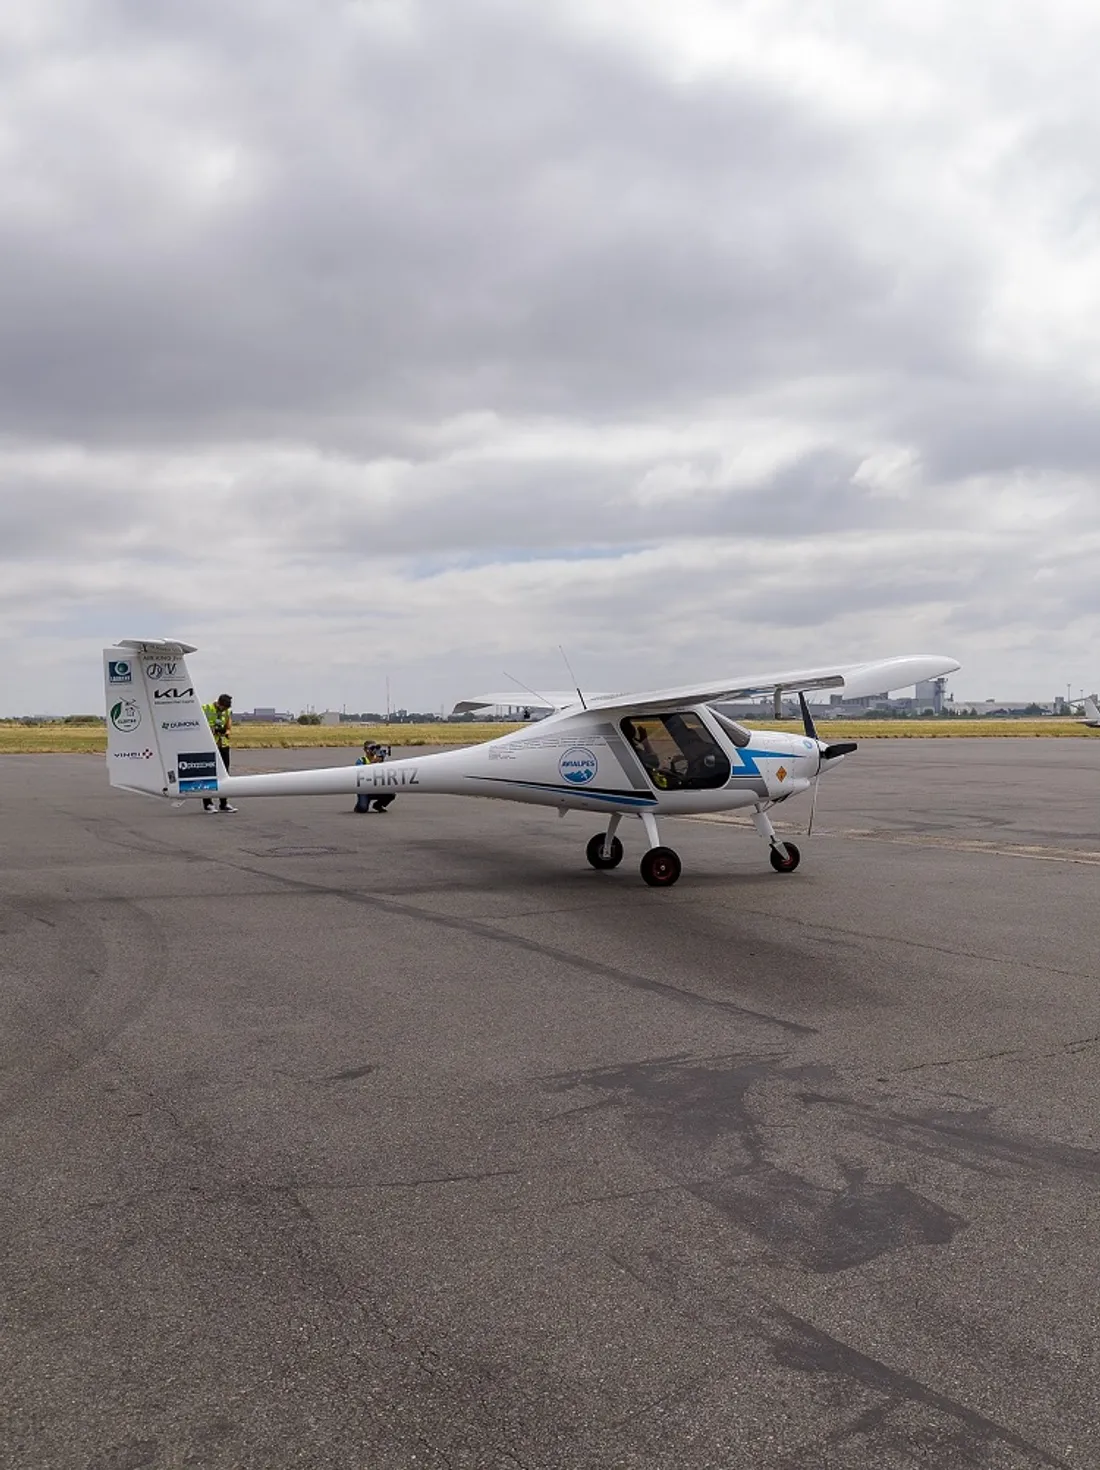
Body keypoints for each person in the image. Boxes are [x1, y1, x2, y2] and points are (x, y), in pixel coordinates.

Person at [202, 692, 238, 813]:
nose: (225, 710)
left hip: (223, 745)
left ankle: (224, 803)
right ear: (219, 703)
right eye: (224, 707)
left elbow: (228, 725)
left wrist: (227, 731)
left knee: (224, 773)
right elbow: (201, 725)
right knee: (208, 773)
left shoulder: (227, 712)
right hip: (208, 745)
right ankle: (208, 804)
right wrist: (214, 730)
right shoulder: (206, 709)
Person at [353, 741, 395, 813]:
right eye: (372, 748)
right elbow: (360, 773)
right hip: (364, 790)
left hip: (375, 788)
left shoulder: (378, 759)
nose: (374, 750)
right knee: (362, 809)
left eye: (376, 748)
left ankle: (378, 805)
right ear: (366, 750)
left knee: (391, 794)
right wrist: (373, 763)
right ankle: (359, 806)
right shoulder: (361, 760)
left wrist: (381, 763)